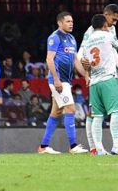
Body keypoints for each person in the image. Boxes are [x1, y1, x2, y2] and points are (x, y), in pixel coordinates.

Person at [38, 11, 89, 154]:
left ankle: (43, 146)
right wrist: (56, 79)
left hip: (66, 80)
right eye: (68, 21)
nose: (71, 24)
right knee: (71, 109)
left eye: (72, 21)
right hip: (58, 80)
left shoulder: (72, 38)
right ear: (60, 23)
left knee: (56, 112)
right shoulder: (55, 37)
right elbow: (49, 59)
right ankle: (73, 146)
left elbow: (75, 60)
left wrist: (85, 75)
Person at [81, 4, 118, 155]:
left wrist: (87, 73)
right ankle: (116, 145)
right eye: (112, 20)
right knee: (116, 111)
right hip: (108, 78)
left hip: (95, 82)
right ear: (104, 21)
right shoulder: (108, 34)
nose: (113, 24)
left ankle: (99, 148)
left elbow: (85, 61)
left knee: (97, 115)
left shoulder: (88, 40)